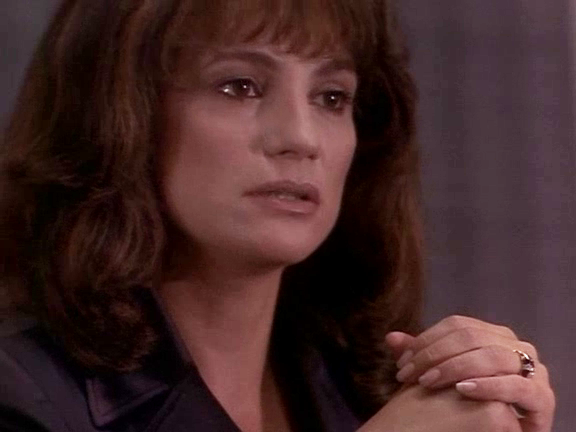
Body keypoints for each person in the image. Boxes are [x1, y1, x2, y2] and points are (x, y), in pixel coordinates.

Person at [0, 0, 555, 431]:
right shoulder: (20, 393)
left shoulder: (372, 387)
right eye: (240, 86)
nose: (301, 138)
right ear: (121, 115)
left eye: (332, 97)